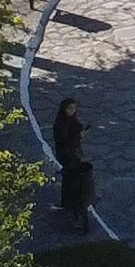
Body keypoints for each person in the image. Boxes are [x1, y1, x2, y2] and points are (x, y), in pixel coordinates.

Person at [51, 94, 94, 231]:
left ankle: (72, 206)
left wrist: (83, 130)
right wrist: (78, 136)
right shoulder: (60, 124)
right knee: (75, 184)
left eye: (74, 108)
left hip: (73, 155)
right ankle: (77, 210)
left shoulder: (71, 121)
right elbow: (64, 142)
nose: (72, 111)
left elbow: (77, 128)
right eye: (70, 109)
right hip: (66, 156)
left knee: (72, 182)